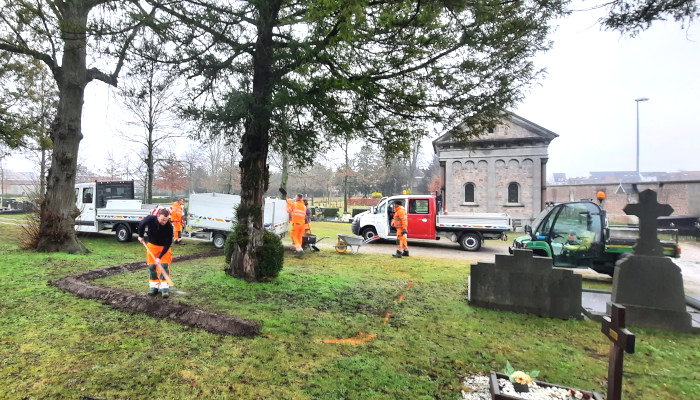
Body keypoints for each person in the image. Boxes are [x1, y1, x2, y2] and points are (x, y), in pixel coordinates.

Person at [138, 208, 174, 298]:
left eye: (166, 220)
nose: (164, 222)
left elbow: (168, 244)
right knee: (152, 266)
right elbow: (141, 224)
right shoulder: (151, 219)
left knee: (164, 266)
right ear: (158, 216)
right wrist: (140, 236)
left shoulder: (169, 227)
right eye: (162, 219)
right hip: (152, 246)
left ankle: (164, 288)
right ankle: (154, 287)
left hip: (164, 248)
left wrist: (160, 257)